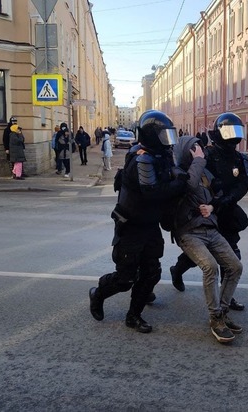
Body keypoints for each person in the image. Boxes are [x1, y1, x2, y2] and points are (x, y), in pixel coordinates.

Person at [88, 109, 186, 333]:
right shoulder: (143, 159)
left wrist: (179, 175)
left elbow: (173, 171)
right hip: (131, 227)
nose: (168, 142)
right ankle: (98, 293)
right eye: (164, 136)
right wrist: (179, 183)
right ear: (152, 135)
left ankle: (133, 316)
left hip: (150, 225)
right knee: (125, 279)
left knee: (152, 272)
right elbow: (153, 191)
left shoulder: (160, 155)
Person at [170, 113, 248, 312]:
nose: (233, 137)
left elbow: (243, 184)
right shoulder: (207, 155)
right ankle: (177, 270)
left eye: (236, 132)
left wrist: (227, 200)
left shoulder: (240, 158)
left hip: (227, 210)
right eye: (229, 132)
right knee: (197, 257)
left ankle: (226, 297)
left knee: (231, 254)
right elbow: (194, 179)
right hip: (206, 212)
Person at [171, 135, 243, 343]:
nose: (199, 151)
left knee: (235, 267)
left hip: (210, 228)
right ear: (186, 151)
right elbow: (188, 185)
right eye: (194, 149)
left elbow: (216, 194)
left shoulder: (203, 172)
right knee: (210, 267)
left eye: (200, 149)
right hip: (188, 232)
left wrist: (212, 207)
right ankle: (215, 319)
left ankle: (223, 312)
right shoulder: (177, 172)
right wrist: (199, 161)